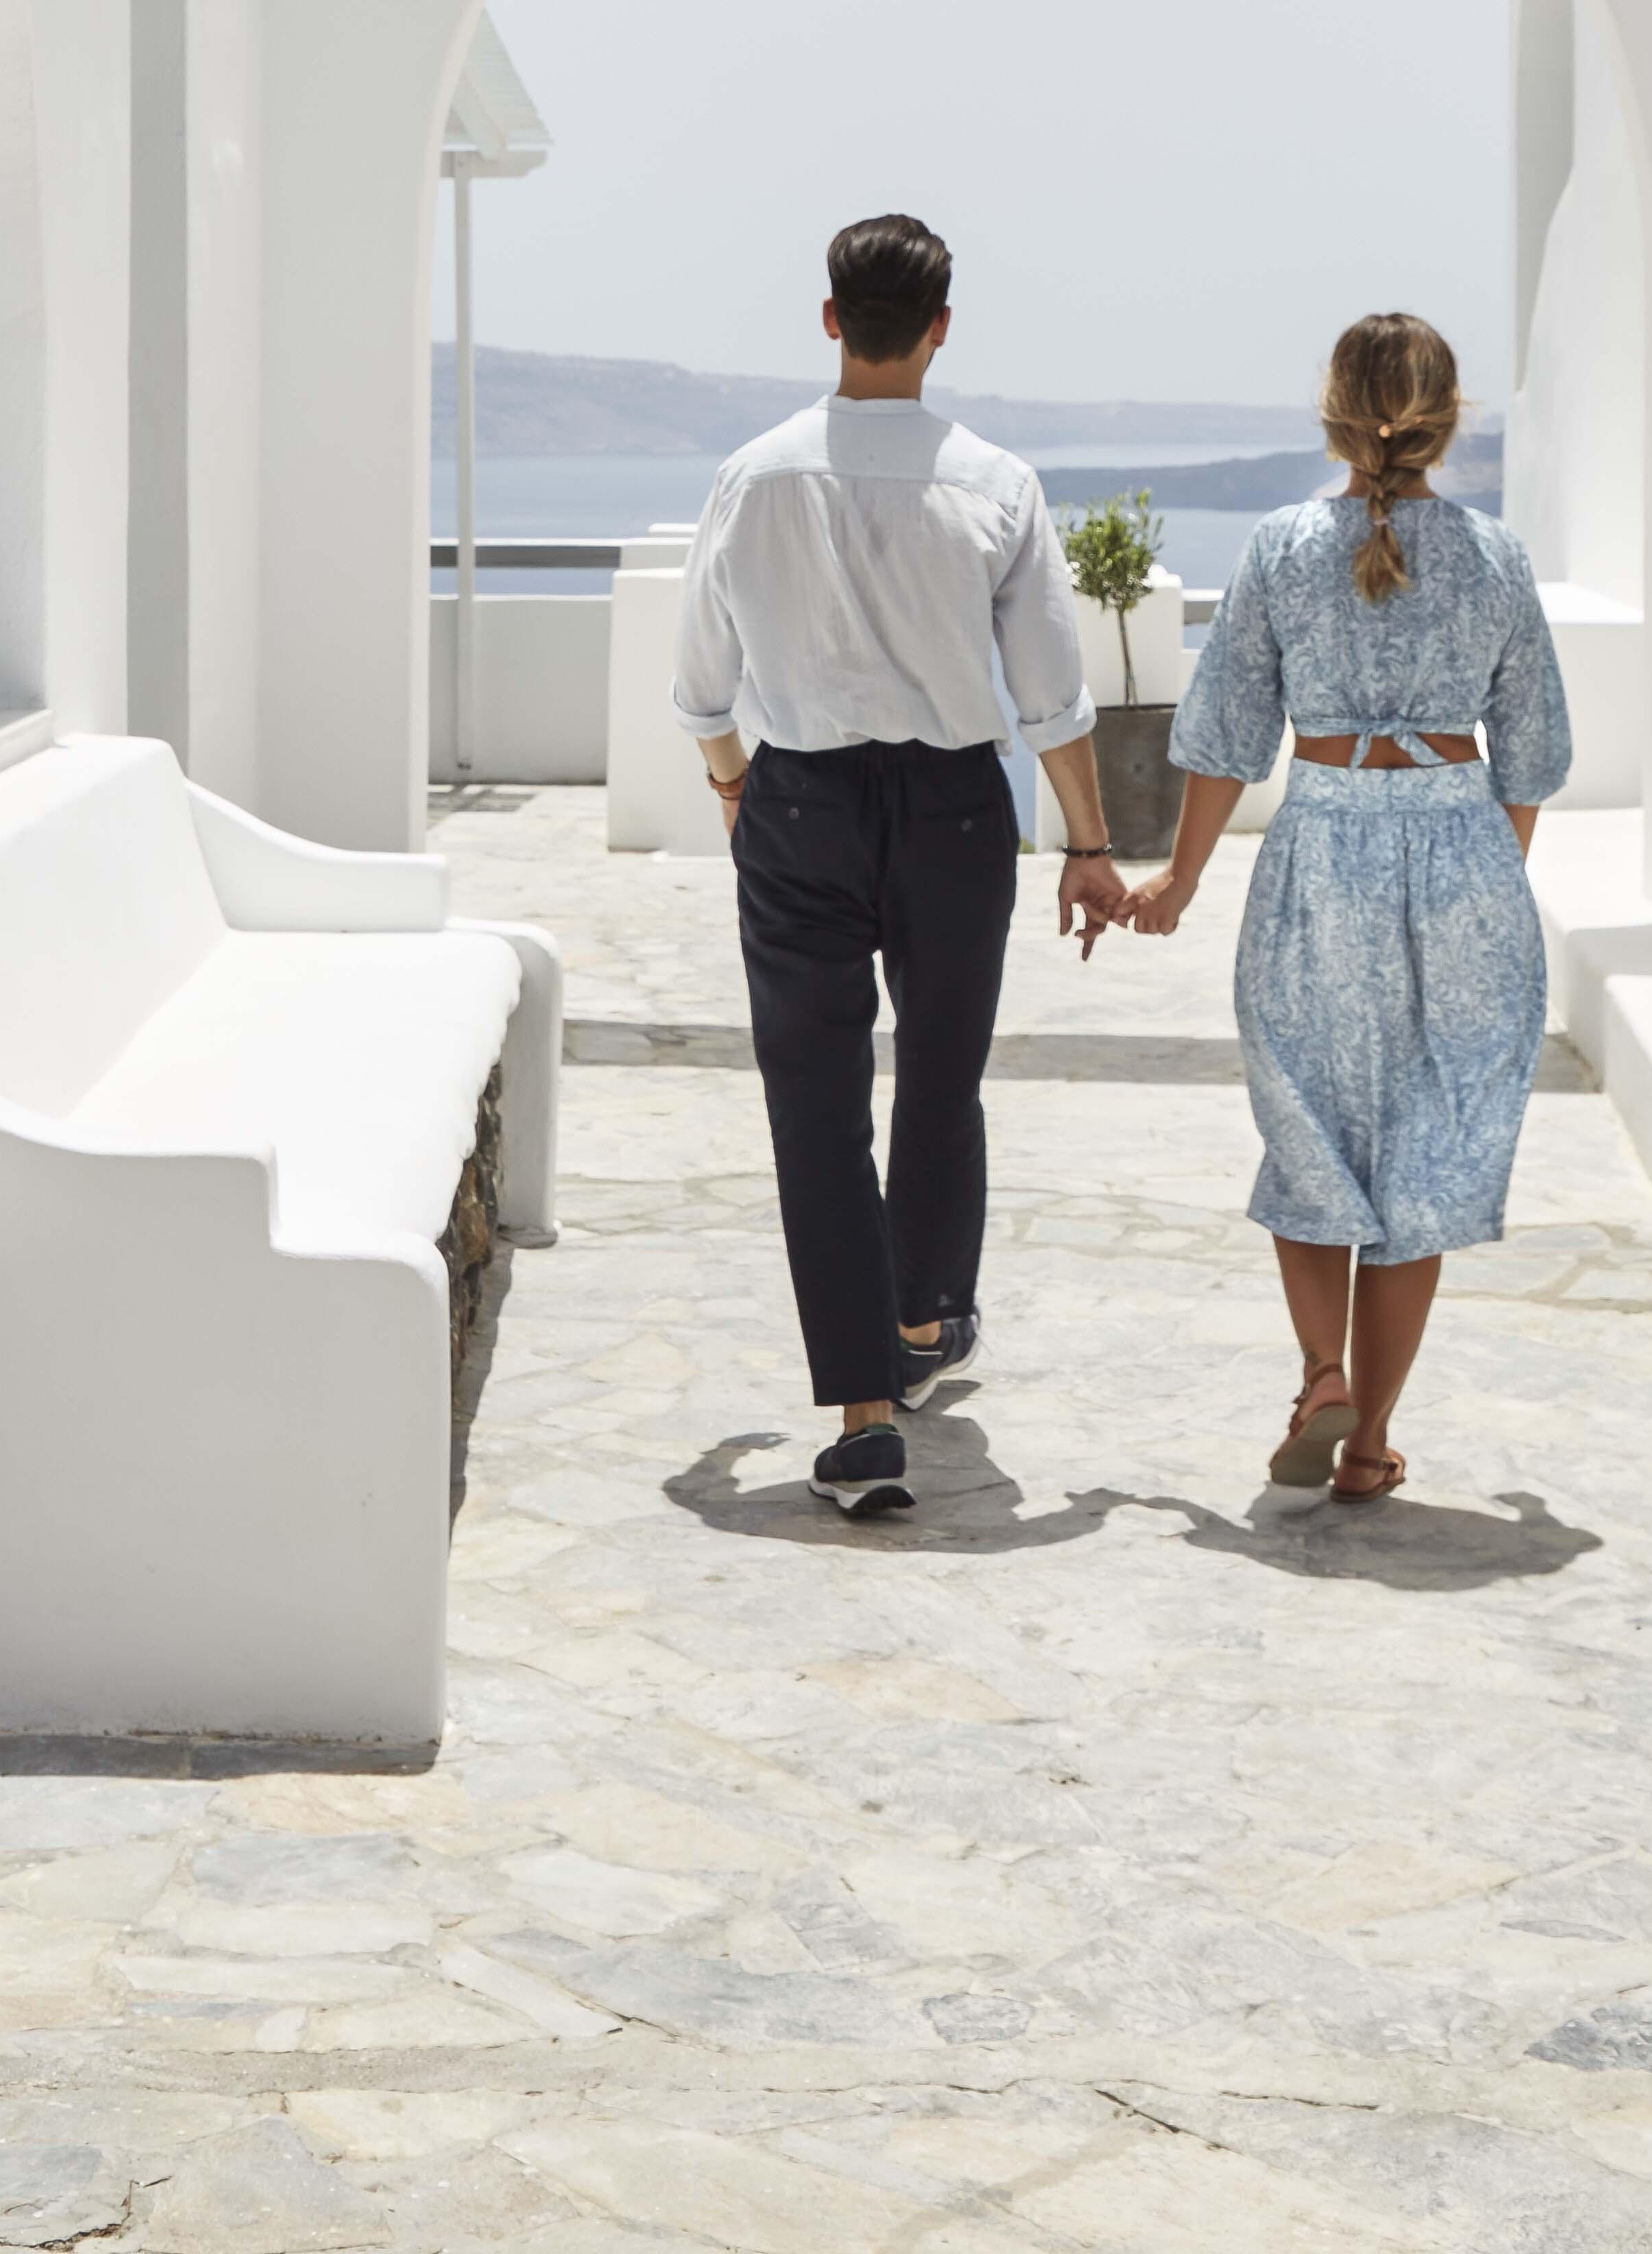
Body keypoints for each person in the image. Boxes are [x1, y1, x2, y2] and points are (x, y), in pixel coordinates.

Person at [673, 215, 1127, 1517]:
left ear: (829, 320)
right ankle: (926, 1326)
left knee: (814, 1102)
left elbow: (700, 684)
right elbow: (1053, 695)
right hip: (952, 810)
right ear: (938, 328)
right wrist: (1088, 848)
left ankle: (866, 1415)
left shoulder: (753, 476)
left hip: (798, 801)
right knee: (940, 1073)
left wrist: (734, 789)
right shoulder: (994, 481)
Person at [1111, 310, 1569, 1505]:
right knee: (1420, 1157)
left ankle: (1324, 1375)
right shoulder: (1497, 557)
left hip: (1321, 848)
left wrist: (1179, 878)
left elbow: (1220, 741)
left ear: (1332, 414)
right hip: (1462, 846)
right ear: (1445, 417)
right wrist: (1483, 880)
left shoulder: (1276, 548)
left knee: (1307, 1120)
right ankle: (1370, 1448)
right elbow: (1531, 757)